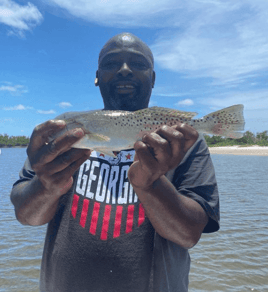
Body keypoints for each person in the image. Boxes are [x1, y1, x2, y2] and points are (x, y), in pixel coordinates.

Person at [10, 32, 220, 292]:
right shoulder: (56, 146)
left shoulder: (185, 143)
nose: (124, 71)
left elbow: (188, 235)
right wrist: (46, 185)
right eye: (111, 64)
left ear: (153, 79)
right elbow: (26, 216)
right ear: (96, 77)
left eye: (138, 64)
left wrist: (150, 185)